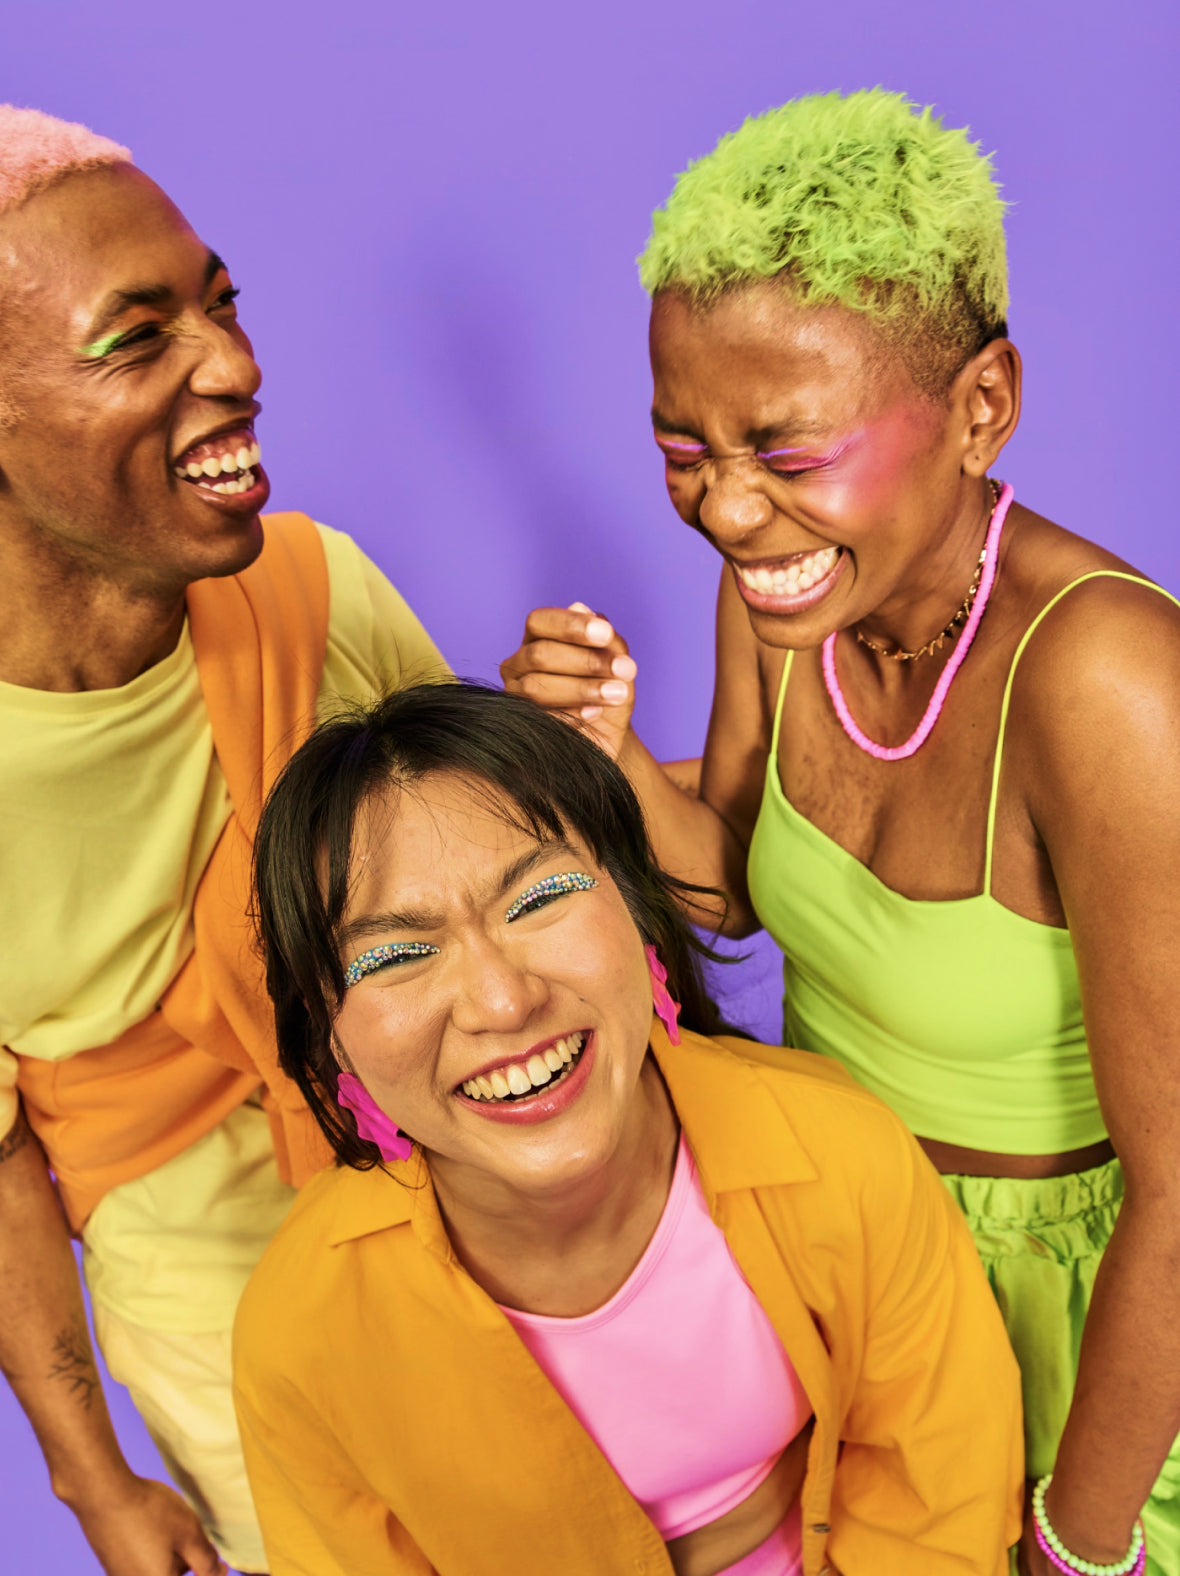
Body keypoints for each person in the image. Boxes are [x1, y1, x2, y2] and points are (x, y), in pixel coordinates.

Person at [501, 88, 1180, 1576]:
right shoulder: (796, 586)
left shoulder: (1110, 684)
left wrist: (1078, 1542)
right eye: (683, 447)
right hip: (845, 1268)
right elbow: (738, 887)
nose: (727, 511)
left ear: (981, 408)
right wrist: (608, 756)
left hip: (1079, 1342)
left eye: (786, 452)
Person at [234, 680, 1022, 1576]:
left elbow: (938, 1497)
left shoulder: (841, 1150)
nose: (502, 1000)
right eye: (399, 954)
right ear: (330, 1034)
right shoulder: (300, 1329)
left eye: (539, 898)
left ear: (636, 910)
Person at [0, 107, 446, 1575]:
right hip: (226, 1350)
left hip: (488, 1238)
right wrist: (96, 1484)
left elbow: (516, 899)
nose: (236, 367)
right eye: (137, 339)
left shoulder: (315, 593)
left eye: (222, 304)